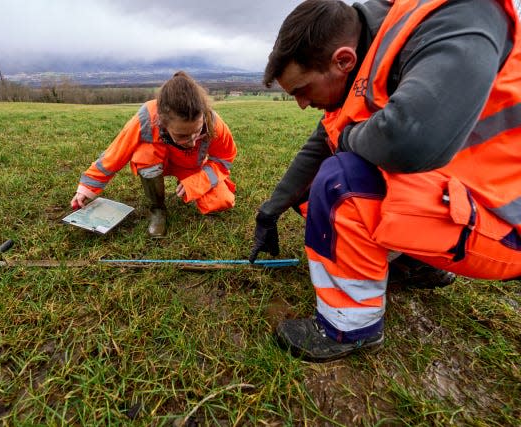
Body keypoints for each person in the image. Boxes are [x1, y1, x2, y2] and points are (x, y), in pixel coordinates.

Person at [250, 0, 521, 362]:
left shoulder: (461, 12)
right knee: (314, 192)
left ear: (343, 60)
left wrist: (347, 140)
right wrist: (269, 212)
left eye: (302, 89)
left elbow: (410, 139)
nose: (301, 103)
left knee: (341, 180)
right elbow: (318, 148)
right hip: (465, 200)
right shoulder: (369, 58)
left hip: (505, 220)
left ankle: (348, 327)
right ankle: (419, 265)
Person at [71, 71, 237, 237]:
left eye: (197, 132)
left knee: (222, 201)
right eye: (182, 136)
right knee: (144, 154)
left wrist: (196, 182)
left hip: (192, 167)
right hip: (157, 162)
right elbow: (115, 154)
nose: (192, 142)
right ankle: (158, 210)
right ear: (163, 122)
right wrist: (86, 188)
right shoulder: (147, 117)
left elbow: (224, 161)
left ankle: (191, 183)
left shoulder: (214, 122)